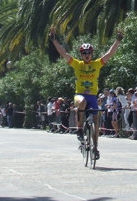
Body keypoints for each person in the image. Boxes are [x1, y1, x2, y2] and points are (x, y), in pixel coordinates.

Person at [49, 27, 123, 160]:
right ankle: (79, 129)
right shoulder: (77, 64)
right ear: (81, 55)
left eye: (89, 52)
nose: (87, 55)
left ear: (92, 54)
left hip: (93, 96)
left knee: (96, 122)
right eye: (84, 53)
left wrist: (118, 40)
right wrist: (54, 39)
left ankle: (95, 148)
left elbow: (110, 53)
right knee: (82, 102)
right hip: (80, 95)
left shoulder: (97, 64)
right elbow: (63, 53)